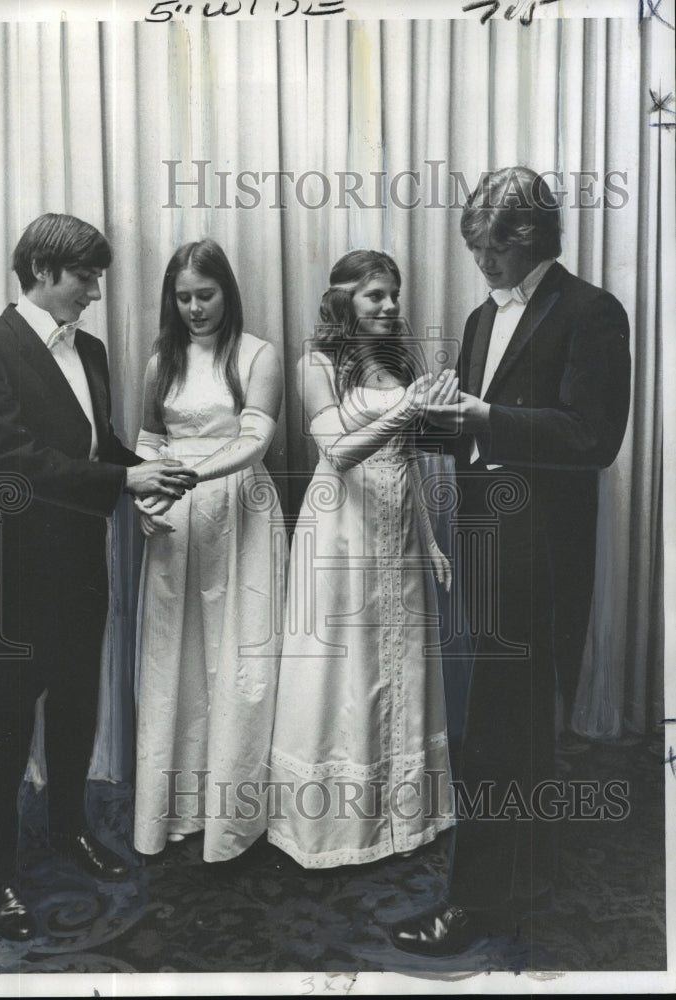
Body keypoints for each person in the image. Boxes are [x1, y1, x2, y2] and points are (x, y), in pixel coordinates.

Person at [390, 167, 631, 955]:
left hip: (541, 553)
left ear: (529, 237)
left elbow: (593, 440)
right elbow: (470, 438)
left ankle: (475, 904)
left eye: (487, 247)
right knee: (492, 726)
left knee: (500, 728)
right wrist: (424, 420)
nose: (477, 263)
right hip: (482, 541)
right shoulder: (475, 318)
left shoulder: (592, 312)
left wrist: (485, 414)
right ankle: (523, 879)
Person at [0, 214, 198, 942]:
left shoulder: (88, 349)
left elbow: (97, 444)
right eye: (85, 276)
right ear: (42, 270)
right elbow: (13, 458)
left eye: (95, 277)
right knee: (2, 720)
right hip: (14, 562)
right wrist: (126, 477)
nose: (94, 291)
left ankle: (68, 831)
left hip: (80, 555)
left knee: (75, 701)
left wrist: (155, 470)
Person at [267, 250, 458, 868]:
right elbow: (340, 451)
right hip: (339, 535)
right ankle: (341, 828)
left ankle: (406, 821)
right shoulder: (315, 364)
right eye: (376, 294)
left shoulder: (395, 363)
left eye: (394, 294)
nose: (390, 306)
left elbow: (405, 458)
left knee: (399, 667)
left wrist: (427, 540)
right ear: (344, 299)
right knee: (345, 677)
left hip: (397, 533)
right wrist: (410, 406)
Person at [132, 238, 285, 862]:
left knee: (240, 660)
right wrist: (147, 499)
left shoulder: (258, 354)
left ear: (228, 292)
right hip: (174, 518)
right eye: (184, 297)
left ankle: (236, 814)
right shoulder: (160, 360)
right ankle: (174, 810)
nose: (195, 308)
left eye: (206, 294)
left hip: (240, 510)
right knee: (178, 660)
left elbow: (254, 442)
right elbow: (147, 439)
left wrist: (191, 476)